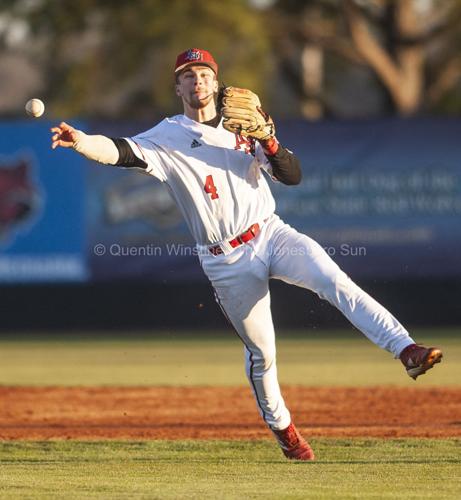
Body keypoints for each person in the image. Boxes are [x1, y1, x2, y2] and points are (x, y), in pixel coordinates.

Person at [51, 48, 443, 461]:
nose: (197, 81)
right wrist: (80, 141)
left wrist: (268, 140)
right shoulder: (165, 137)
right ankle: (284, 430)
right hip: (224, 260)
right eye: (188, 75)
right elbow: (119, 151)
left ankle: (406, 350)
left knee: (334, 280)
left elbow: (292, 176)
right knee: (263, 353)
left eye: (203, 73)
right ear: (177, 86)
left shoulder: (246, 126)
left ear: (216, 83)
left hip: (272, 233)